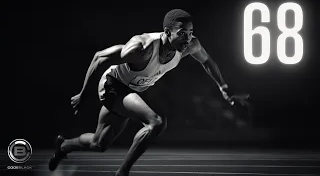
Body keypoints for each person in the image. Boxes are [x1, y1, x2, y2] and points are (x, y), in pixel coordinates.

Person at [48, 9, 249, 176]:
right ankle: (123, 172)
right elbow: (100, 57)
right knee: (156, 122)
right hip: (113, 86)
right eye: (181, 33)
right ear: (167, 32)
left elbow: (207, 62)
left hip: (132, 90)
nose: (187, 38)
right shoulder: (142, 47)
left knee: (98, 144)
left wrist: (224, 89)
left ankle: (64, 145)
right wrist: (84, 94)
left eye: (190, 32)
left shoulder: (189, 46)